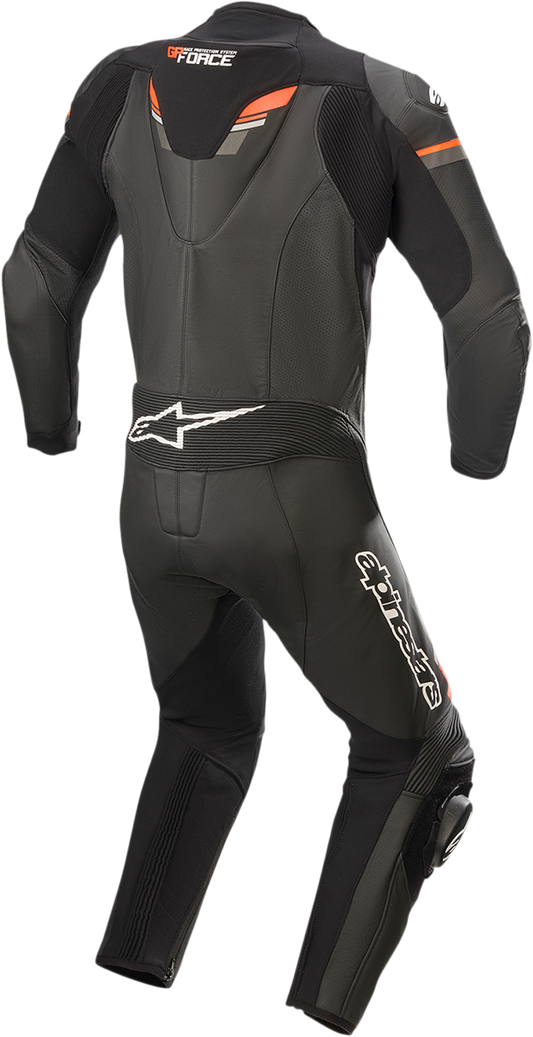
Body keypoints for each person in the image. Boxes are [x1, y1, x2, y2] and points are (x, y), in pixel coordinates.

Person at [2, 4, 530, 1032]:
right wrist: (476, 461)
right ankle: (321, 1012)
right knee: (423, 754)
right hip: (301, 499)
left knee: (206, 725)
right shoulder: (376, 93)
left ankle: (132, 963)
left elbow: (33, 279)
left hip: (150, 498)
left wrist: (50, 426)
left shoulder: (118, 80)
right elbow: (489, 311)